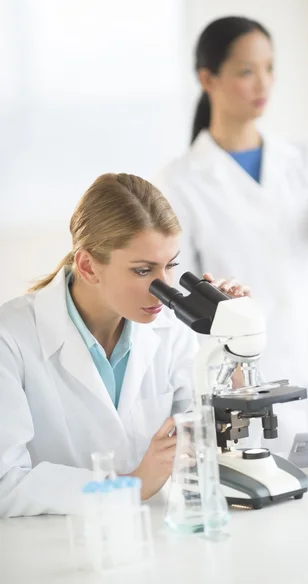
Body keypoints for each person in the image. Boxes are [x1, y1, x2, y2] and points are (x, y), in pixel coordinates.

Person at [154, 16, 308, 451]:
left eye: (270, 68)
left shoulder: (304, 157)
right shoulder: (180, 181)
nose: (263, 83)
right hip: (249, 375)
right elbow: (181, 303)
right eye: (246, 71)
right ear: (208, 78)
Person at [0, 173, 248, 518]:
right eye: (143, 270)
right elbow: (6, 482)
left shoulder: (170, 329)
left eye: (171, 265)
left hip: (159, 540)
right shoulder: (10, 337)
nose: (165, 288)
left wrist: (232, 340)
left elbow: (209, 442)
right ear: (88, 266)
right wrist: (129, 486)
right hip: (57, 552)